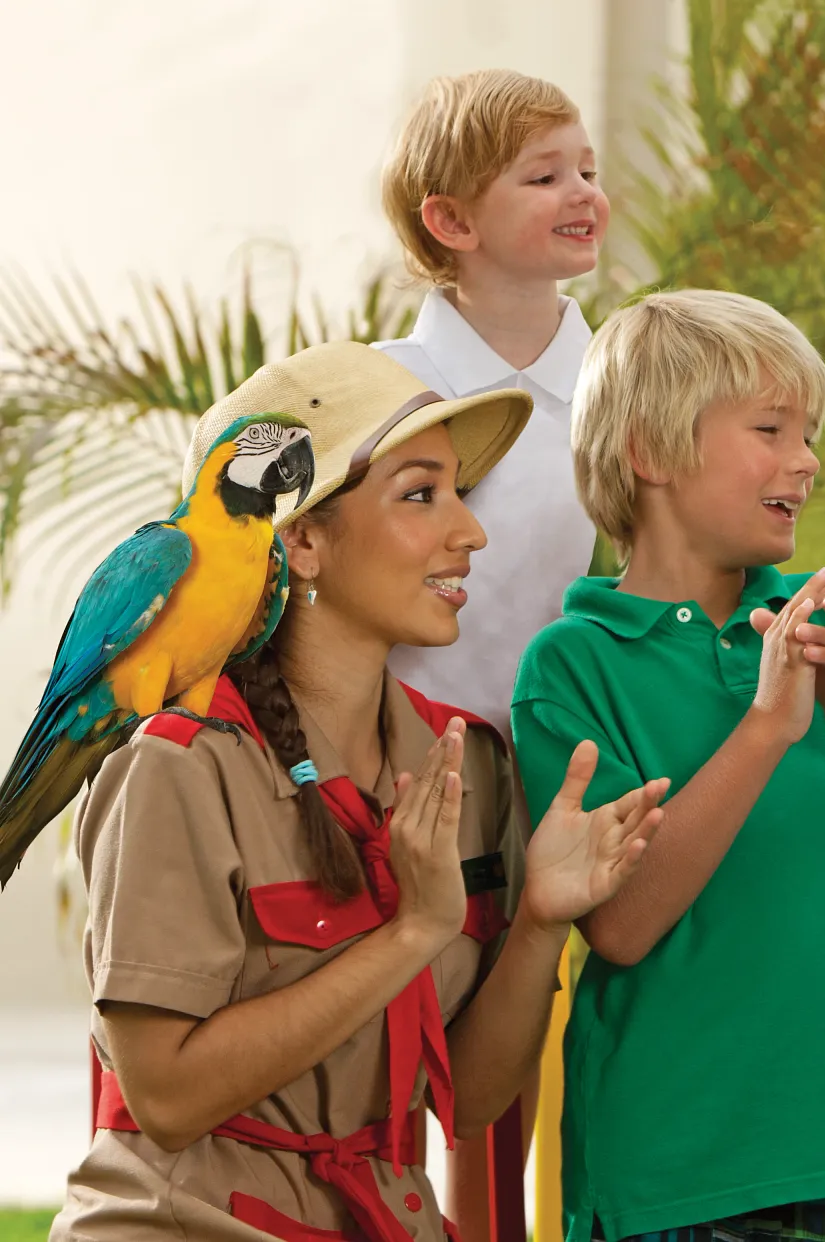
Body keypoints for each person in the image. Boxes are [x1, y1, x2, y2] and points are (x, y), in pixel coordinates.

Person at [49, 342, 667, 1242]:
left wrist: (539, 919)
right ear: (299, 539)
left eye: (462, 493)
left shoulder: (468, 768)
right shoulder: (177, 768)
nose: (471, 533)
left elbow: (471, 1100)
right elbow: (168, 1097)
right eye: (422, 495)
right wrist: (411, 932)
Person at [511, 290, 825, 1242]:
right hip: (682, 1180)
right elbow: (623, 926)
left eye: (808, 433)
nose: (805, 460)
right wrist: (764, 727)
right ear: (650, 452)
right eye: (770, 429)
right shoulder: (574, 665)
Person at [375, 67, 607, 737]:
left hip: (573, 764)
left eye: (588, 174)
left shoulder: (628, 393)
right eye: (545, 178)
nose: (582, 194)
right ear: (452, 219)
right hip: (405, 768)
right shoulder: (380, 391)